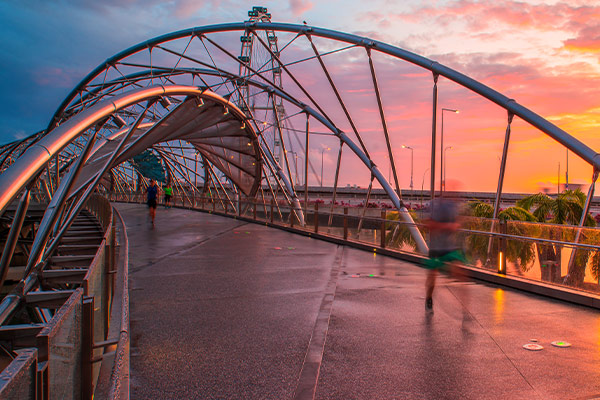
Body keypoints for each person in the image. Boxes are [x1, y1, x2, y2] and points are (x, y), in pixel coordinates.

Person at [424, 196, 466, 312]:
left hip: (449, 247)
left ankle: (464, 307)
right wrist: (447, 226)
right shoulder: (435, 207)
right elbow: (429, 225)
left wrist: (455, 225)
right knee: (432, 275)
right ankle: (428, 297)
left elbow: (457, 223)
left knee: (459, 272)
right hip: (436, 248)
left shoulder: (453, 209)